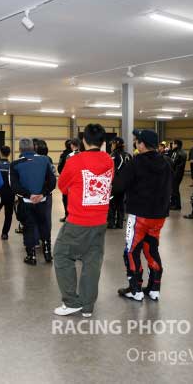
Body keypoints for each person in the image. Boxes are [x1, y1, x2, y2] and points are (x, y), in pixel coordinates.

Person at [53, 124, 113, 317]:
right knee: (92, 261)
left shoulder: (75, 161)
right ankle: (87, 306)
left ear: (84, 140)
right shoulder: (109, 160)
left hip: (78, 221)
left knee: (61, 255)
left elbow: (62, 186)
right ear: (102, 142)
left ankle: (71, 302)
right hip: (100, 221)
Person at [113, 129, 172, 302]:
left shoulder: (136, 162)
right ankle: (154, 288)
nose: (135, 143)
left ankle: (135, 289)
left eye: (137, 141)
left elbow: (119, 186)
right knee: (151, 248)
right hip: (159, 215)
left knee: (131, 251)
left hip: (139, 215)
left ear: (142, 144)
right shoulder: (166, 161)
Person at [11, 138, 57, 265]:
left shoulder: (15, 164)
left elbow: (14, 186)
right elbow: (52, 181)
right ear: (33, 147)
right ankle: (47, 253)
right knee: (44, 225)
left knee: (29, 227)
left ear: (20, 149)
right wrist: (42, 194)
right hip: (42, 200)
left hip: (26, 202)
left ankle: (31, 256)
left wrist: (29, 195)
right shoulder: (45, 160)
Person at [107, 137, 131, 229]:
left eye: (112, 144)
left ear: (116, 144)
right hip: (125, 184)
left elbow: (110, 169)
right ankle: (120, 223)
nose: (111, 146)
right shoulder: (128, 155)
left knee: (112, 203)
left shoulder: (113, 155)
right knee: (121, 203)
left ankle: (111, 223)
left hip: (115, 183)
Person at [0, 145, 15, 240]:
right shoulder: (12, 166)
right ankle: (5, 234)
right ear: (9, 154)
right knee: (8, 215)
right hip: (10, 195)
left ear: (0, 153)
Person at [58, 139, 80, 223]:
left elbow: (67, 169)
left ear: (72, 145)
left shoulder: (69, 155)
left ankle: (69, 216)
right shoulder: (83, 154)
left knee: (67, 199)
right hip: (80, 181)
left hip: (70, 181)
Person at [169, 139, 187, 211]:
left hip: (175, 173)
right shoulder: (183, 152)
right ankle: (174, 203)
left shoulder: (176, 153)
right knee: (174, 189)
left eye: (173, 144)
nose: (172, 145)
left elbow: (173, 163)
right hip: (179, 173)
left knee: (174, 189)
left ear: (176, 145)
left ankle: (176, 205)